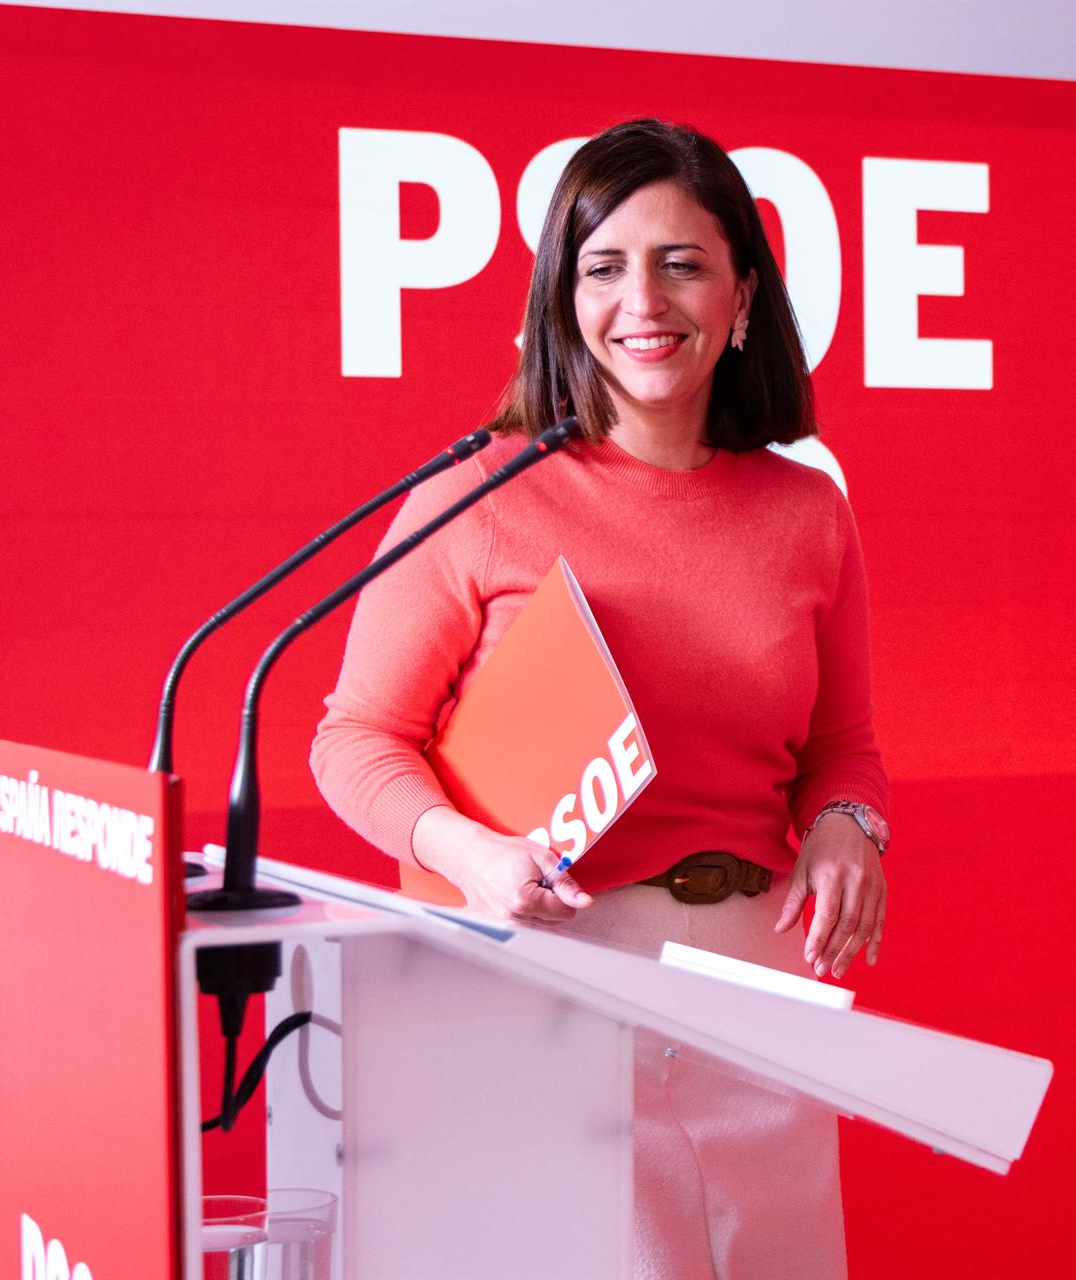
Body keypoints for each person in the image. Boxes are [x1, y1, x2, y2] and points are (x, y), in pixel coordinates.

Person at [310, 117, 891, 1280]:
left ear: (742, 295)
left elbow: (845, 745)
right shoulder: (483, 491)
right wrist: (470, 853)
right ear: (562, 299)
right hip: (547, 967)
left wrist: (848, 826)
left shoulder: (808, 512)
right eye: (606, 266)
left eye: (683, 263)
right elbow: (354, 737)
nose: (645, 300)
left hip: (756, 986)